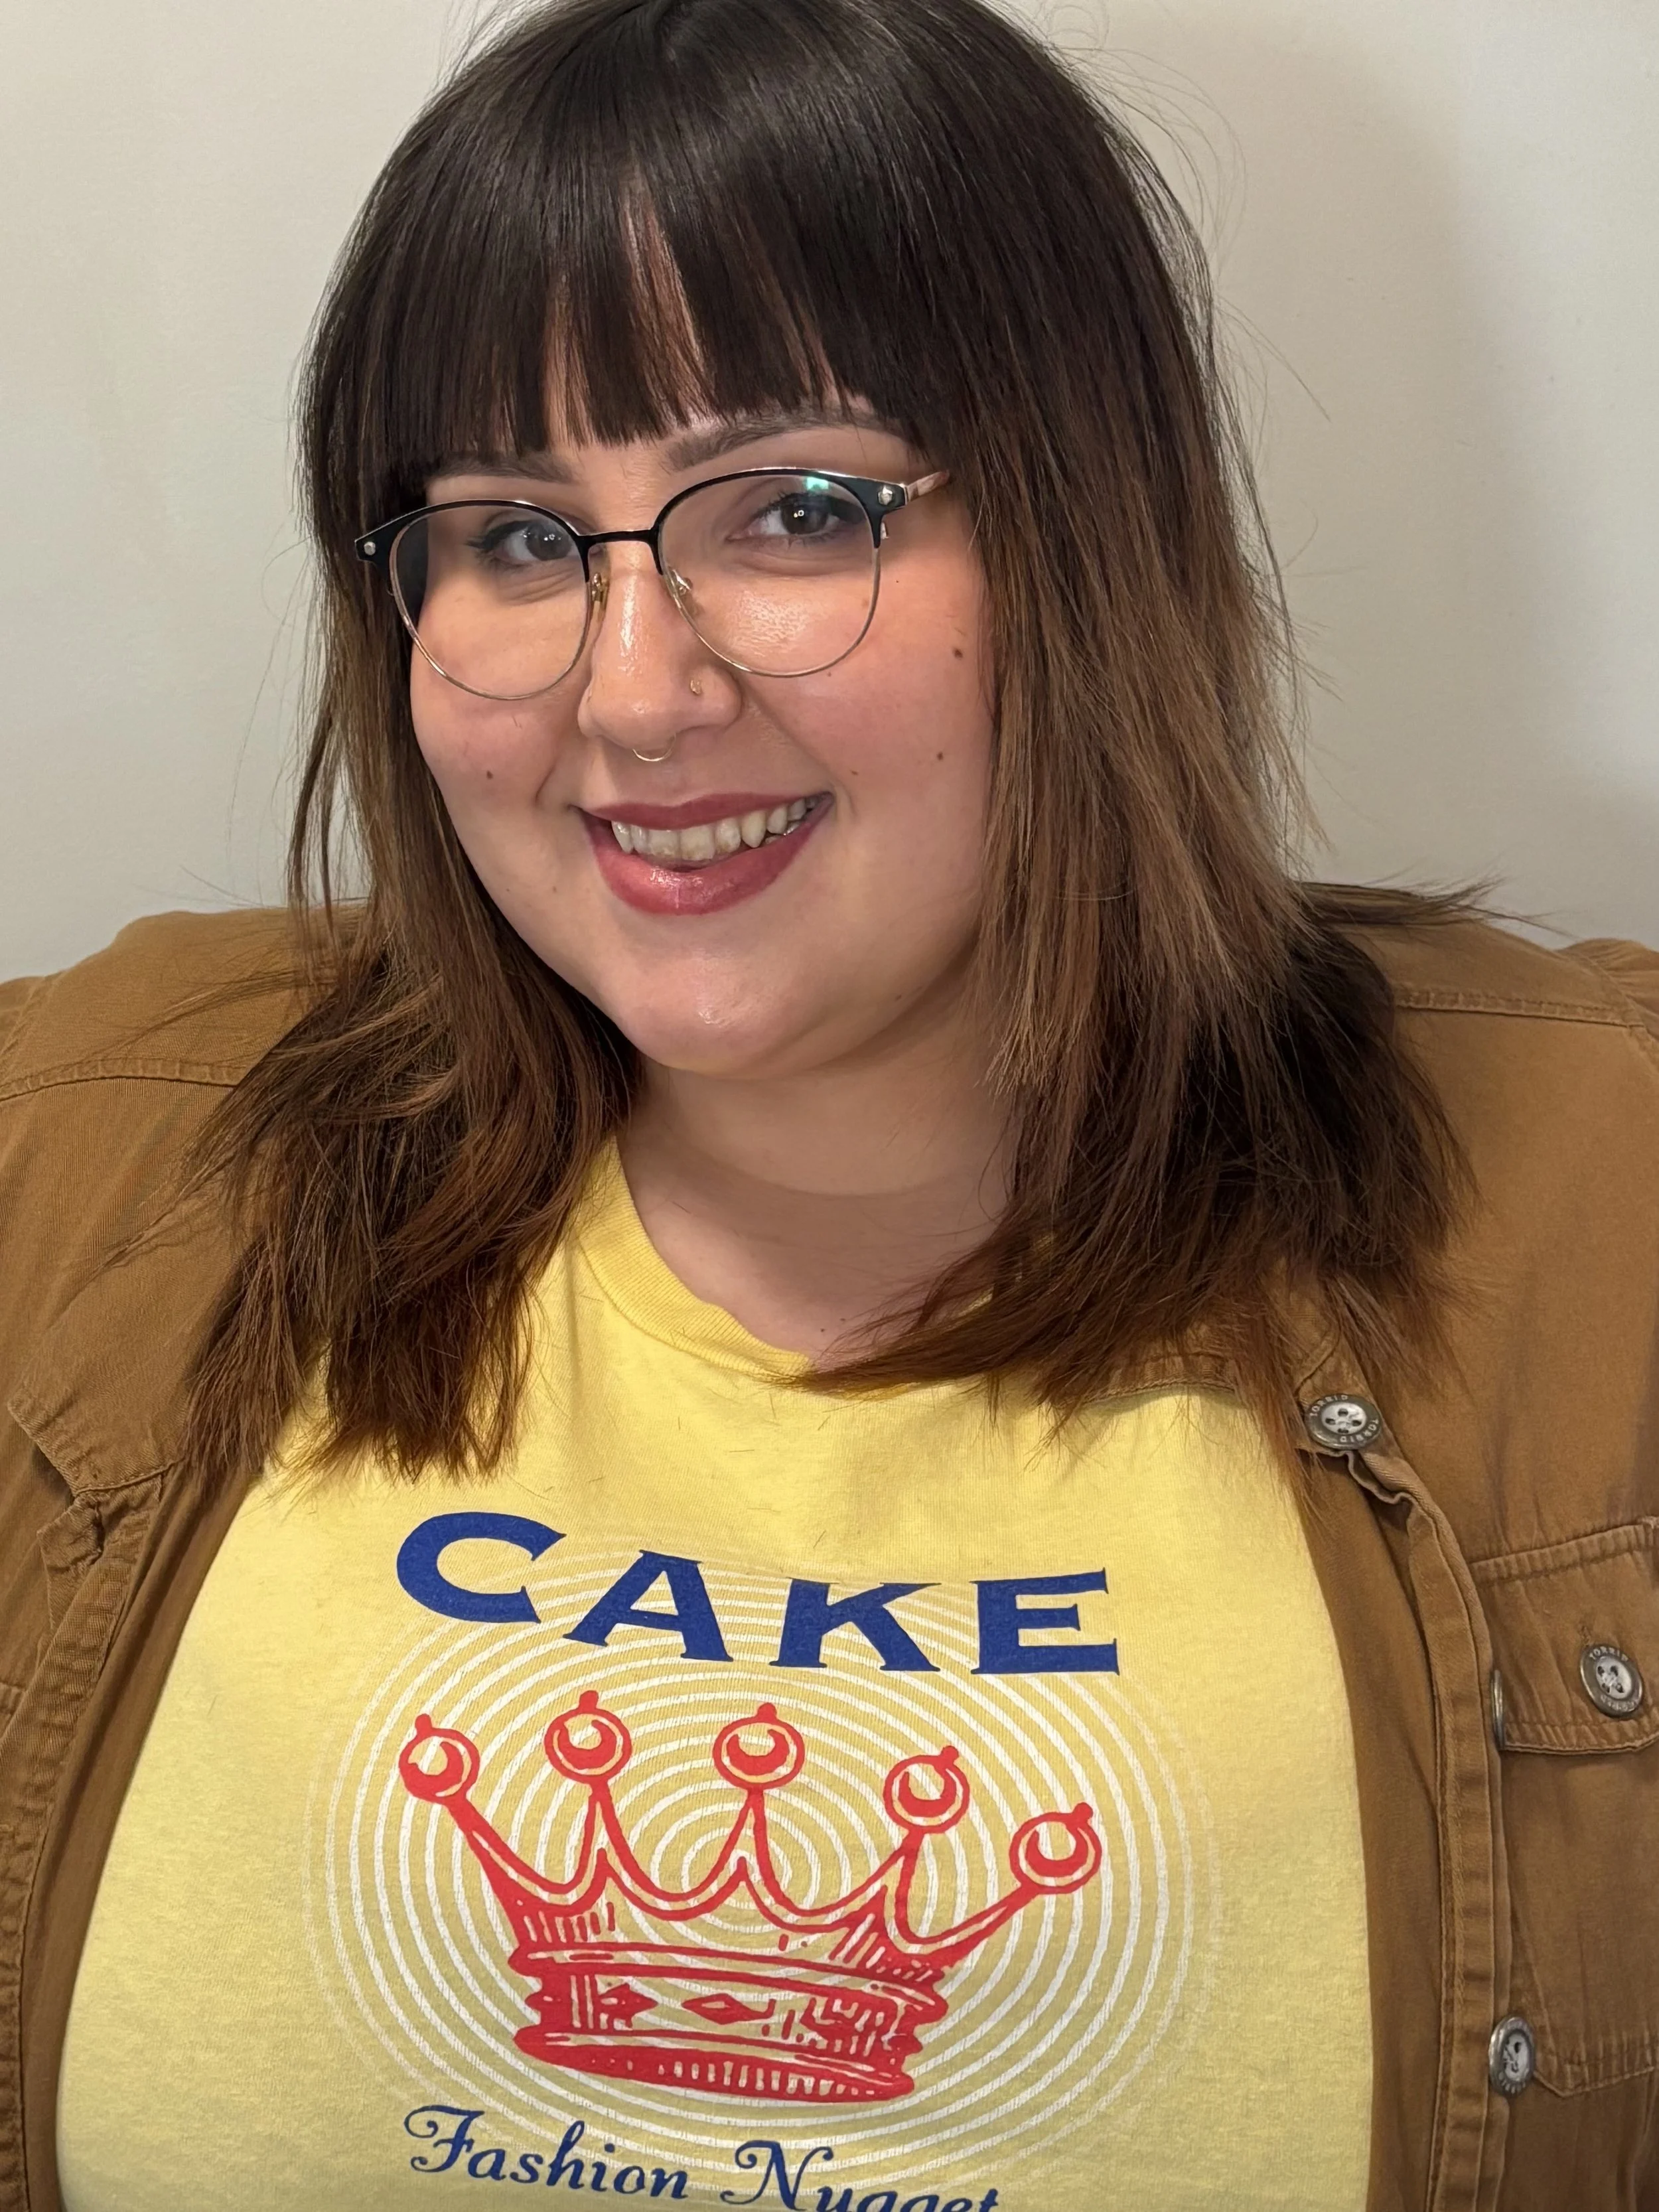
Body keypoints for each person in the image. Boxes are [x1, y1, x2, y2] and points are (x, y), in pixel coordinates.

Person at [1, 0, 1655, 2205]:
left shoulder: (1597, 1203)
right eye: (507, 536)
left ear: (1089, 538)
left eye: (792, 509)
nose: (634, 689)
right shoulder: (87, 1156)